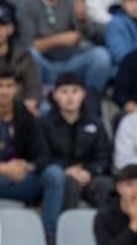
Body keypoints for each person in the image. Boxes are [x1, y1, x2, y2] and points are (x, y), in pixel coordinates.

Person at [0, 69, 64, 239]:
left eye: (9, 86)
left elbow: (44, 155)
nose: (4, 91)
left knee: (54, 175)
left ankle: (49, 235)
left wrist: (28, 166)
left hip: (20, 180)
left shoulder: (25, 115)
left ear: (16, 88)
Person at [43, 75, 115, 213]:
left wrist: (89, 171)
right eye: (64, 92)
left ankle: (104, 230)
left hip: (89, 176)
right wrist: (65, 170)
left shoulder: (95, 123)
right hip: (60, 176)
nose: (70, 97)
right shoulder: (44, 124)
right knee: (70, 183)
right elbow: (41, 155)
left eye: (75, 91)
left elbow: (104, 155)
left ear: (83, 95)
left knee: (105, 185)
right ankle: (65, 230)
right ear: (55, 95)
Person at [17, 0, 112, 97]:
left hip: (72, 61)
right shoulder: (27, 6)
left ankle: (90, 100)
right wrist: (59, 40)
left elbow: (89, 34)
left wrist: (83, 19)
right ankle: (39, 98)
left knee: (101, 56)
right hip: (44, 63)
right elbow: (28, 45)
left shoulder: (71, 3)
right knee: (30, 54)